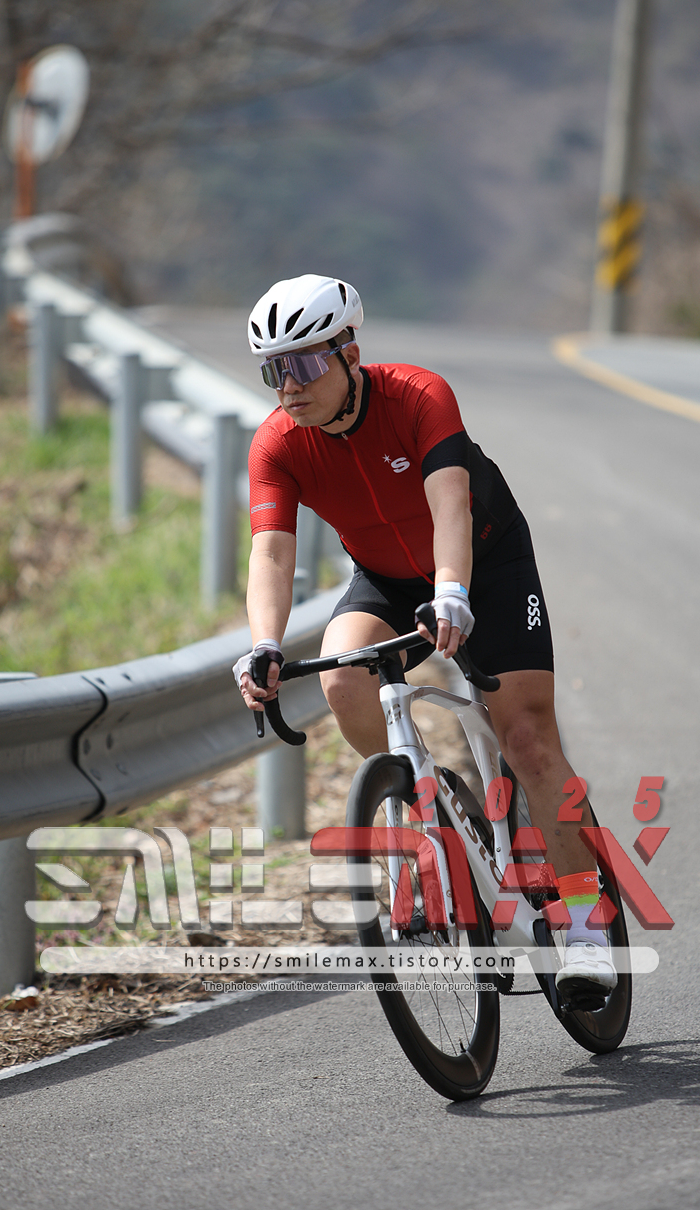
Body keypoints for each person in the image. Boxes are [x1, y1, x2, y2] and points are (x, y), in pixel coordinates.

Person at [232, 273, 614, 1005]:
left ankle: (586, 927)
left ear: (349, 353)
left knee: (528, 739)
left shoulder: (417, 395)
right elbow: (271, 553)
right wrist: (264, 644)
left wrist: (453, 592)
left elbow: (450, 507)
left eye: (304, 363)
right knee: (342, 678)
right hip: (385, 578)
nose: (289, 386)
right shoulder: (277, 443)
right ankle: (423, 813)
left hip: (485, 563)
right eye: (273, 370)